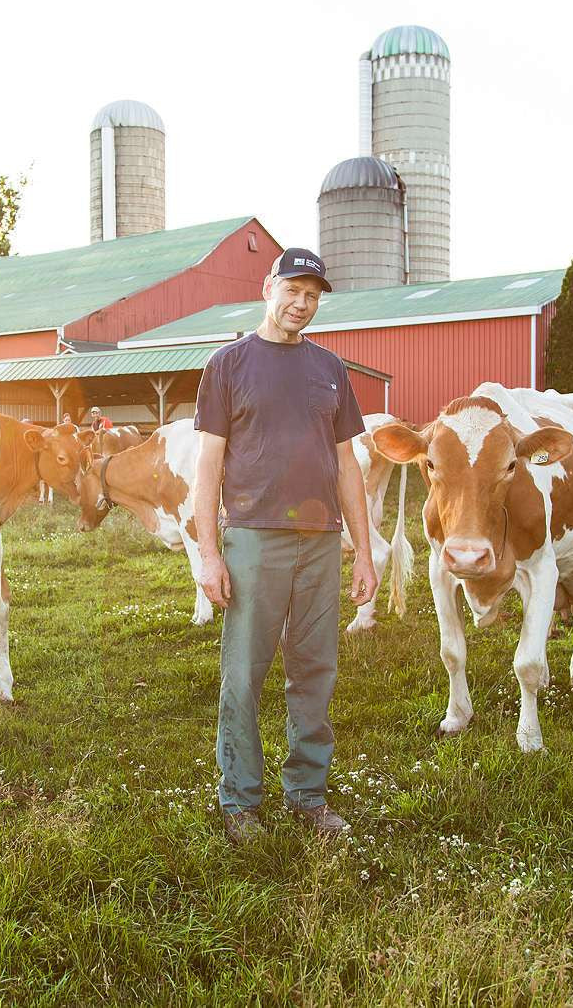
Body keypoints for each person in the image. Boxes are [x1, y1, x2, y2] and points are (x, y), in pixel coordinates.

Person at [192, 247, 377, 844]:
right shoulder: (228, 365)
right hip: (253, 538)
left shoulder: (330, 369)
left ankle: (306, 793)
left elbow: (348, 463)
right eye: (293, 290)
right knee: (244, 673)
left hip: (321, 542)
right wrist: (209, 554)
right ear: (268, 287)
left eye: (313, 296)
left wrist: (365, 551)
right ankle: (241, 800)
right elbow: (208, 465)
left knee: (315, 668)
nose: (302, 304)